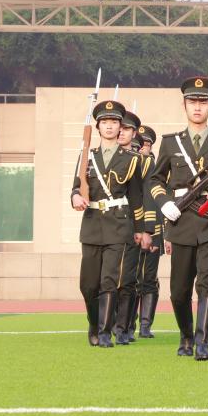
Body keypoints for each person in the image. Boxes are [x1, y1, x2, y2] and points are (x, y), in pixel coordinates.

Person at [148, 76, 208, 361]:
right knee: (179, 291)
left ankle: (203, 342)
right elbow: (155, 179)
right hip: (181, 221)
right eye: (192, 101)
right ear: (184, 105)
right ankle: (186, 335)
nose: (197, 107)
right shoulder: (171, 143)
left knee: (207, 282)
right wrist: (164, 202)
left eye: (203, 102)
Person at [70, 100, 153, 348]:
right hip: (92, 224)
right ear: (97, 127)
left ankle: (105, 332)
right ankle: (94, 323)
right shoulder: (86, 156)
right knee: (88, 285)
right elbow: (76, 186)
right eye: (104, 122)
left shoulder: (131, 159)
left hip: (118, 225)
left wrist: (140, 229)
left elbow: (136, 197)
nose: (109, 126)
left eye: (114, 122)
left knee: (109, 280)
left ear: (120, 127)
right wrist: (75, 196)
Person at [112, 110, 144, 345]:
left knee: (128, 279)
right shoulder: (101, 157)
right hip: (107, 226)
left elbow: (144, 197)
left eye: (126, 128)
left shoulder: (139, 161)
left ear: (134, 133)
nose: (121, 132)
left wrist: (146, 229)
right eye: (119, 127)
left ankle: (124, 326)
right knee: (105, 279)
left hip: (131, 224)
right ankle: (105, 323)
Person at [133, 124, 162, 339]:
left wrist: (153, 231)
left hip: (154, 229)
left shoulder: (156, 167)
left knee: (148, 278)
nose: (143, 147)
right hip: (132, 229)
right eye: (140, 143)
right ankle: (127, 321)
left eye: (147, 144)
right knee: (131, 277)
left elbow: (159, 200)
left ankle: (145, 324)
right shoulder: (131, 164)